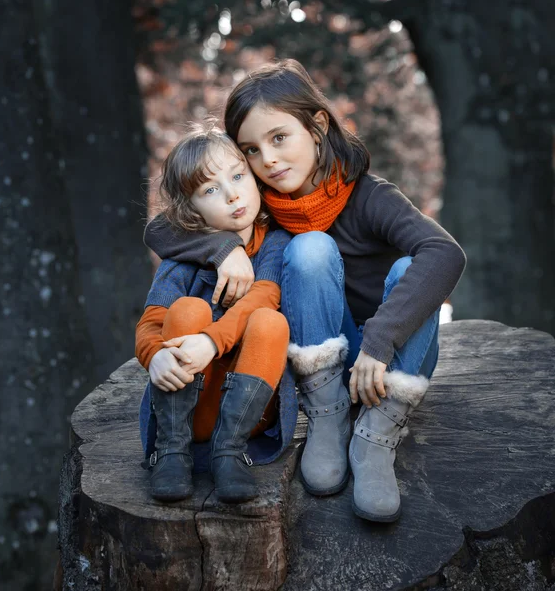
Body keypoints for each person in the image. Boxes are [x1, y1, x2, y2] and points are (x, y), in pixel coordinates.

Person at [143, 60, 466, 522]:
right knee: (311, 249)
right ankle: (328, 418)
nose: (268, 160)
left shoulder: (369, 196)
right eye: (251, 150)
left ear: (316, 127)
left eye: (279, 138)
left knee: (410, 267)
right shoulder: (259, 202)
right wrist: (222, 249)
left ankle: (376, 437)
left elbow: (446, 253)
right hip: (326, 367)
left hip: (389, 358)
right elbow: (162, 227)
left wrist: (380, 340)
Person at [135, 125, 292, 504]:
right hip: (187, 407)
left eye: (238, 176)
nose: (233, 194)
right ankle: (171, 451)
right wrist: (154, 355)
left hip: (249, 416)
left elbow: (265, 296)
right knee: (189, 307)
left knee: (271, 320)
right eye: (211, 190)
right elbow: (150, 324)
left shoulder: (274, 242)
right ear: (191, 210)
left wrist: (211, 341)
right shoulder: (181, 258)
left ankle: (229, 454)